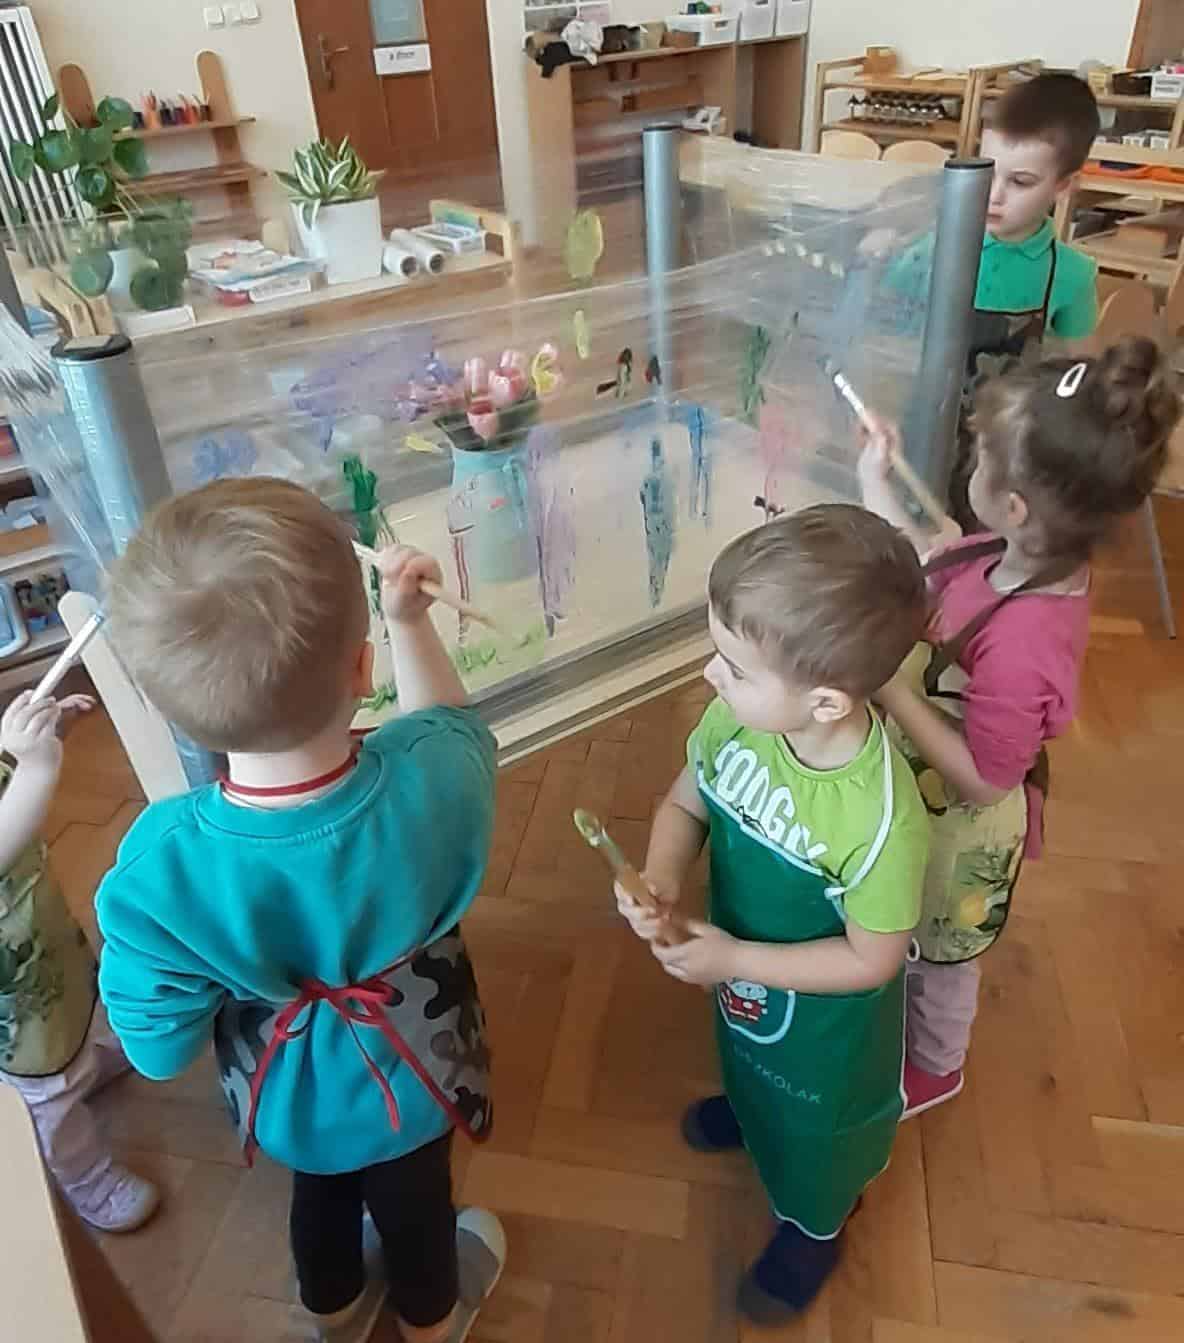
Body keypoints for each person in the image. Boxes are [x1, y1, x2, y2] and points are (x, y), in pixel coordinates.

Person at [94, 478, 505, 1343]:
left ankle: (334, 1311)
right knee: (418, 1205)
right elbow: (453, 726)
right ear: (361, 669)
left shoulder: (160, 863)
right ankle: (431, 1322)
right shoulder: (435, 779)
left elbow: (158, 1050)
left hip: (286, 1095)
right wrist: (409, 622)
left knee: (318, 1198)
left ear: (172, 711)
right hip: (419, 1072)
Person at [615, 504, 930, 1322]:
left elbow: (873, 958)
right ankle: (755, 1115)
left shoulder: (880, 821)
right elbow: (684, 803)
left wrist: (733, 959)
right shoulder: (737, 720)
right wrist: (659, 875)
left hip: (828, 1037)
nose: (710, 675)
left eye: (734, 666)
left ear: (824, 702)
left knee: (820, 1133)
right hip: (744, 982)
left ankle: (815, 1227)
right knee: (750, 1065)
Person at [859, 337, 1180, 1117]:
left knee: (942, 956)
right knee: (906, 931)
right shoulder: (1013, 552)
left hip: (961, 828)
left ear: (1015, 507)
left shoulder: (1024, 644)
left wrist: (891, 689)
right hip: (927, 797)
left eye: (981, 456)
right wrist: (877, 481)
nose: (969, 462)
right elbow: (935, 557)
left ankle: (936, 1066)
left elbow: (987, 777)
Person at [889, 73, 1102, 525]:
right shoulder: (931, 251)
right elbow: (883, 330)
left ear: (1064, 185)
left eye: (1021, 181)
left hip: (1003, 450)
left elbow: (1083, 374)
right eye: (986, 173)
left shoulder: (1071, 273)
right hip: (922, 434)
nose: (994, 195)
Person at [0, 688, 160, 1232]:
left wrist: (31, 739)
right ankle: (86, 1179)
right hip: (15, 1004)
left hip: (40, 943)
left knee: (77, 1008)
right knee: (48, 1090)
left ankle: (86, 1058)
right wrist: (37, 768)